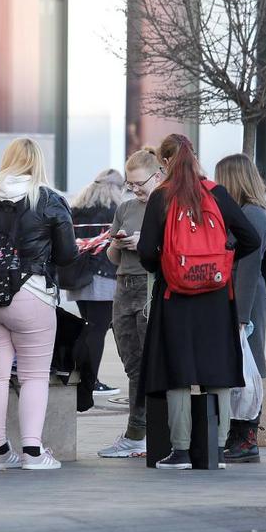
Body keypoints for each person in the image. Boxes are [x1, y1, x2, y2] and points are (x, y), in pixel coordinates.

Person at [138, 135, 260, 470]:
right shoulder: (217, 193)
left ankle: (180, 451)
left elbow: (147, 252)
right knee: (216, 372)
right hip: (217, 297)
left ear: (165, 162)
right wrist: (223, 257)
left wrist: (166, 266)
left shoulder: (162, 197)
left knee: (178, 372)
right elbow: (251, 238)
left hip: (174, 296)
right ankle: (216, 451)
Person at [0, 137, 78, 470]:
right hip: (31, 293)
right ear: (37, 163)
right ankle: (32, 452)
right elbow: (68, 255)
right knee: (34, 376)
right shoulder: (49, 200)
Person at [97, 148, 162, 459]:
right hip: (124, 285)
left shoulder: (166, 205)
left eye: (140, 183)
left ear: (158, 175)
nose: (136, 190)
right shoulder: (125, 208)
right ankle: (140, 432)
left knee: (149, 364)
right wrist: (118, 243)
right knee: (131, 362)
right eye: (130, 184)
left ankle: (141, 431)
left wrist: (145, 244)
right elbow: (113, 258)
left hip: (150, 285)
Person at [214, 153, 266, 464]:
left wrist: (241, 317)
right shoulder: (243, 213)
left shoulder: (252, 214)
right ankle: (238, 434)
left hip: (246, 298)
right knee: (239, 364)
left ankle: (247, 437)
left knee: (250, 362)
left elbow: (248, 268)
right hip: (235, 295)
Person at [66, 169, 125, 404]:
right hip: (104, 277)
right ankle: (91, 381)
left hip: (79, 277)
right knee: (98, 330)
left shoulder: (77, 209)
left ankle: (82, 376)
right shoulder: (115, 210)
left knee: (90, 328)